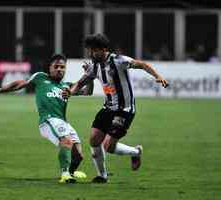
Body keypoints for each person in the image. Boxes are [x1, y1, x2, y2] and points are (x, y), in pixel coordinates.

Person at [66, 33, 168, 183]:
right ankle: (102, 175)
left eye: (94, 50)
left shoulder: (119, 60)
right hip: (108, 108)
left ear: (103, 49)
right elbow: (80, 83)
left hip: (124, 110)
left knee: (108, 146)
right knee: (94, 140)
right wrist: (70, 91)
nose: (91, 53)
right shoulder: (94, 66)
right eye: (89, 50)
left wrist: (157, 76)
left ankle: (136, 152)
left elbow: (142, 64)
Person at [0, 54, 92, 183]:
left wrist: (89, 77)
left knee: (78, 156)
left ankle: (70, 173)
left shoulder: (67, 86)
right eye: (56, 66)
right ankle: (65, 175)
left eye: (62, 67)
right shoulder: (40, 77)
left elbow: (88, 91)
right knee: (66, 141)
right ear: (49, 68)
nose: (59, 69)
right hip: (48, 121)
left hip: (63, 121)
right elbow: (20, 84)